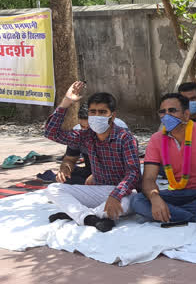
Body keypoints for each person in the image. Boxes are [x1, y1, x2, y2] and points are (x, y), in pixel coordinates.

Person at [44, 82, 140, 232]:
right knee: (53, 189)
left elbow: (133, 173)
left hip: (123, 192)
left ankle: (78, 214)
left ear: (112, 115)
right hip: (99, 190)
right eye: (93, 112)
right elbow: (51, 133)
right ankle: (89, 218)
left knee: (129, 202)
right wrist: (67, 101)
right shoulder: (86, 136)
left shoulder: (125, 138)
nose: (97, 116)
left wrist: (116, 195)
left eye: (102, 112)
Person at [132, 93, 196, 226]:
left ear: (186, 114)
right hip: (176, 194)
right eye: (162, 112)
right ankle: (195, 218)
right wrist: (155, 198)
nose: (166, 115)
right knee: (137, 201)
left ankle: (175, 214)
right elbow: (149, 179)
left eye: (172, 110)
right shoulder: (156, 139)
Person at [56, 104, 129, 185]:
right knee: (66, 179)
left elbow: (126, 165)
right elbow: (70, 159)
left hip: (115, 174)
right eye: (83, 126)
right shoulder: (78, 132)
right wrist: (65, 169)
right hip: (90, 173)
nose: (86, 131)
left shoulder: (119, 130)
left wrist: (98, 175)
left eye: (91, 127)